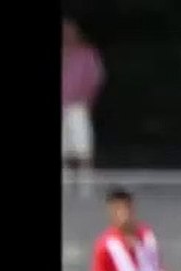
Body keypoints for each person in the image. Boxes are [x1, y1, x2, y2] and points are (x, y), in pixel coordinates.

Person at [62, 18, 105, 172]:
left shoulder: (87, 53)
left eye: (69, 31)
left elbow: (96, 78)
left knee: (83, 150)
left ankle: (86, 185)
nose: (66, 34)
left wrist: (87, 100)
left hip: (77, 105)